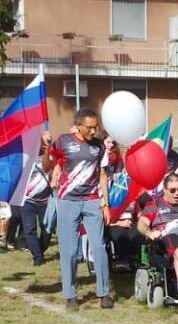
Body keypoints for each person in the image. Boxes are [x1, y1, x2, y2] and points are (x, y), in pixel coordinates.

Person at [49, 108, 113, 310]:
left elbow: (102, 175)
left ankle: (103, 293)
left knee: (99, 247)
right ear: (78, 126)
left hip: (92, 201)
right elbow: (51, 161)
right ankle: (71, 295)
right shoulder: (63, 141)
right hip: (67, 201)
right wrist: (47, 153)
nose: (94, 131)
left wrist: (105, 204)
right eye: (90, 128)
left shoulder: (99, 147)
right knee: (68, 251)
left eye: (96, 127)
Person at [17, 132, 56, 268]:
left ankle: (39, 249)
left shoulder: (51, 156)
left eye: (49, 141)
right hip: (28, 200)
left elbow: (49, 168)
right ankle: (37, 257)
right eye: (44, 141)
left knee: (47, 229)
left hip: (45, 201)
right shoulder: (26, 157)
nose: (47, 144)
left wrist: (47, 153)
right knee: (30, 229)